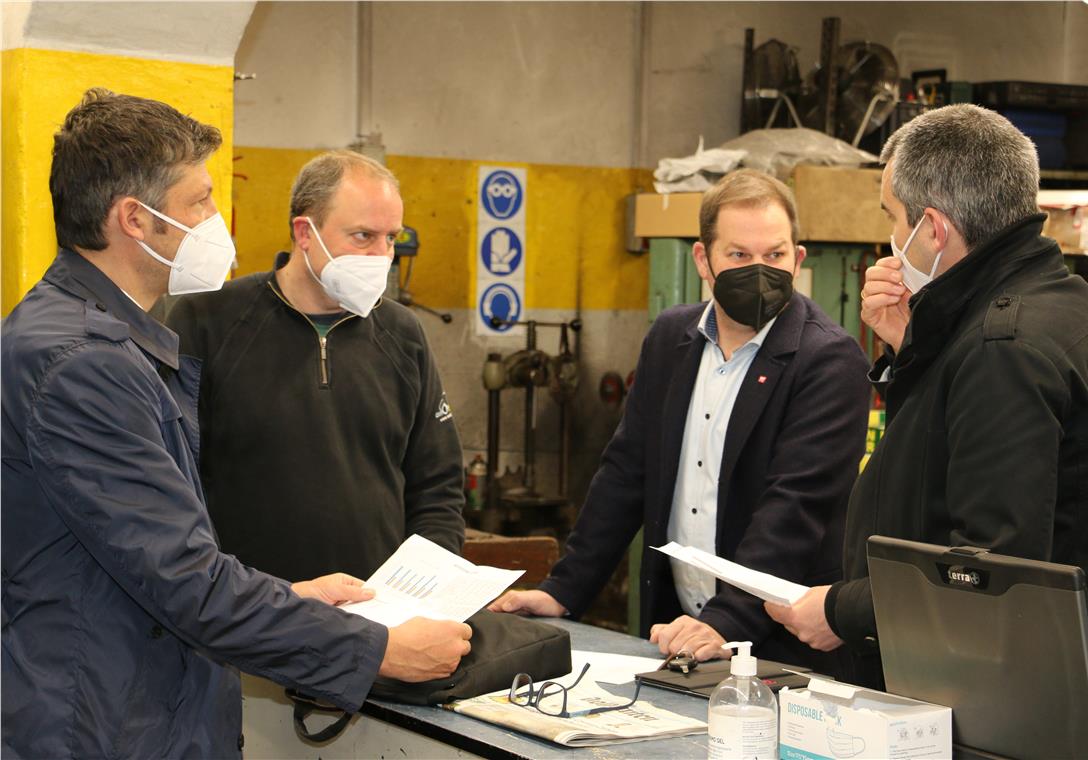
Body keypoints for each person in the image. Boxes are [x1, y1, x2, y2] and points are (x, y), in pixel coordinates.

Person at [1, 89, 472, 758]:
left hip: (130, 698)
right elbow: (183, 579)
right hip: (103, 721)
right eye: (199, 202)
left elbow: (149, 554)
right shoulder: (85, 363)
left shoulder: (105, 340)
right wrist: (376, 650)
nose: (215, 221)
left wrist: (289, 598)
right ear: (135, 219)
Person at [764, 104, 1088, 732]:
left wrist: (840, 610)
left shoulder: (1004, 349)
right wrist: (911, 352)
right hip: (1076, 693)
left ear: (933, 229)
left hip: (1020, 717)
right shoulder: (1074, 309)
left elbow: (982, 577)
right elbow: (942, 471)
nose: (891, 239)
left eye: (892, 217)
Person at [493, 169, 870, 673]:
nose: (759, 271)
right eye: (739, 255)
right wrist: (564, 589)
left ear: (798, 260)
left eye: (775, 255)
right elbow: (626, 472)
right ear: (703, 259)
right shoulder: (671, 338)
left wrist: (728, 619)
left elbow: (795, 507)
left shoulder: (829, 361)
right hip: (677, 632)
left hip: (783, 649)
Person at [162, 150, 465, 583]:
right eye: (363, 236)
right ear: (305, 232)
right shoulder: (208, 323)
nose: (381, 255)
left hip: (375, 613)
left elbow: (437, 486)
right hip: (251, 611)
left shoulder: (403, 334)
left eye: (391, 238)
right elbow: (172, 481)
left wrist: (420, 589)